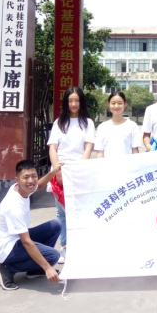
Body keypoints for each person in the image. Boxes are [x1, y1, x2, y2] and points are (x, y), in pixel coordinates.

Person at [0, 159, 64, 291]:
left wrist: (53, 172)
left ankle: (35, 269)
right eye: (26, 177)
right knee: (53, 256)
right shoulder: (13, 205)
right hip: (7, 248)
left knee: (56, 225)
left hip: (16, 238)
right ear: (17, 180)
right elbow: (26, 242)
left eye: (34, 176)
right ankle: (7, 268)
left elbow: (39, 185)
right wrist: (47, 267)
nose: (31, 181)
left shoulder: (23, 189)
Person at [47, 86, 95, 264]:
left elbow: (88, 147)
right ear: (66, 102)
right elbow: (53, 148)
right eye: (70, 100)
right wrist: (57, 170)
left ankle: (81, 245)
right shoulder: (59, 123)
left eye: (77, 100)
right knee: (62, 212)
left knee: (80, 210)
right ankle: (65, 246)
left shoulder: (87, 123)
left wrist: (79, 169)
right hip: (60, 171)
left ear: (81, 102)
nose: (73, 104)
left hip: (80, 171)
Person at [94, 91, 142, 158]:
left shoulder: (132, 126)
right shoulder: (102, 127)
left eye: (120, 103)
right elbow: (100, 153)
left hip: (127, 164)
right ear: (109, 104)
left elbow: (135, 151)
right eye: (113, 103)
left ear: (125, 104)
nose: (116, 106)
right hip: (108, 165)